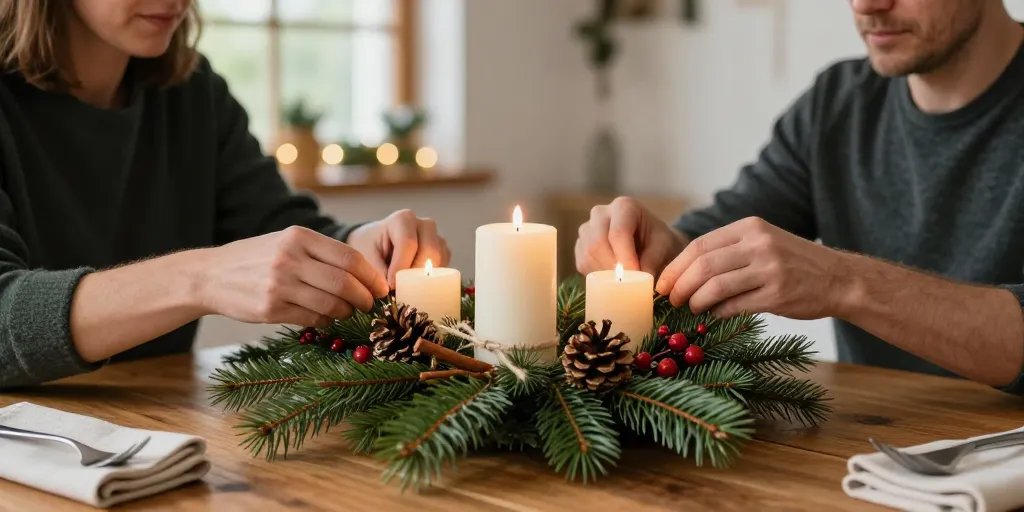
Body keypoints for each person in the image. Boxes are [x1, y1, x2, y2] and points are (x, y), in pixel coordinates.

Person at [576, 0, 1024, 393]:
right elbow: (726, 230)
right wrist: (660, 247)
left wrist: (844, 282)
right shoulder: (837, 102)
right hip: (869, 454)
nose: (866, 5)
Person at [0, 0, 450, 388]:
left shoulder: (193, 91)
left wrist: (362, 245)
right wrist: (199, 277)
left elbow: (276, 226)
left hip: (162, 434)